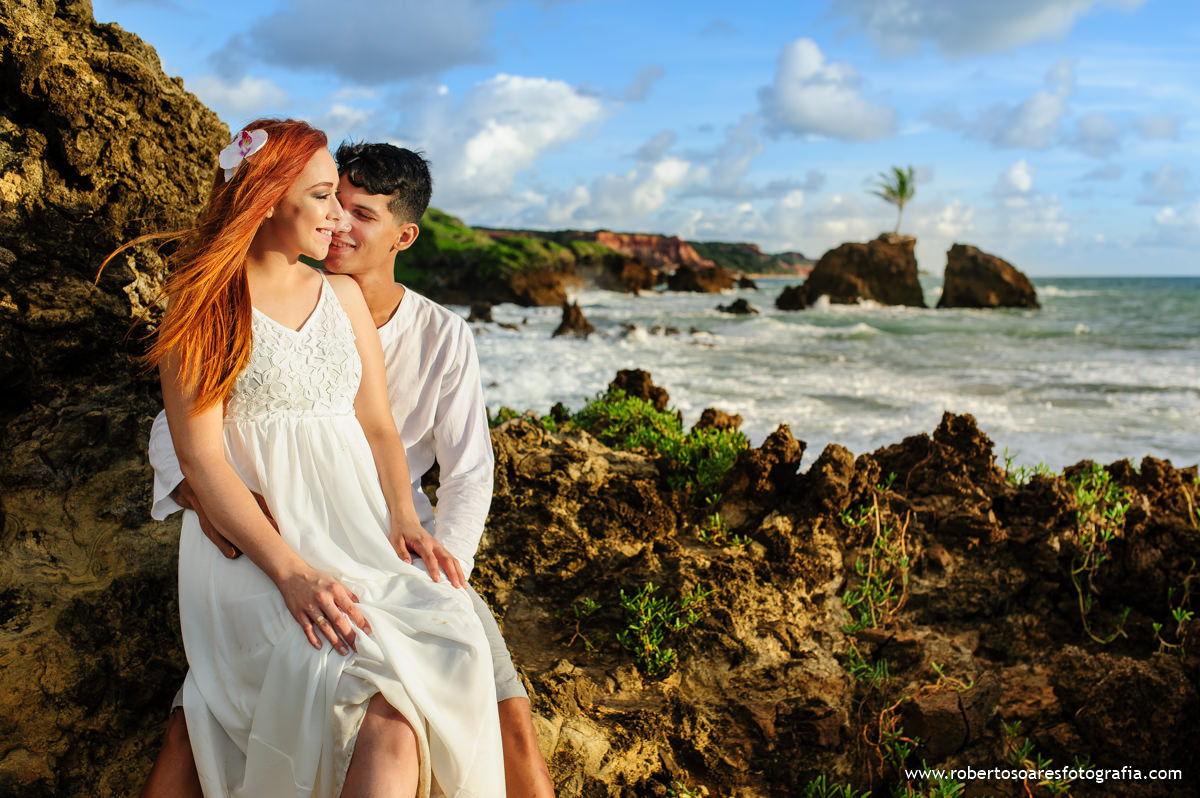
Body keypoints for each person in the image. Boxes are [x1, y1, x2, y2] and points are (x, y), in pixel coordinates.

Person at [141, 141, 555, 797]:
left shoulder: (442, 335)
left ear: (405, 235)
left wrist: (441, 567)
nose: (339, 222)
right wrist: (199, 490)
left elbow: (469, 472)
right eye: (331, 200)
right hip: (285, 543)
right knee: (198, 724)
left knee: (507, 722)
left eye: (360, 212)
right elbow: (180, 430)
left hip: (398, 547)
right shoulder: (253, 299)